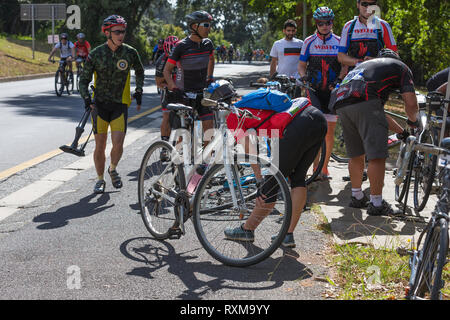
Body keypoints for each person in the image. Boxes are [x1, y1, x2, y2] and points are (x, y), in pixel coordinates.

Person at [224, 97, 327, 247]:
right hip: (317, 119)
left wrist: (260, 180)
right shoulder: (256, 100)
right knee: (298, 178)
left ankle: (246, 230)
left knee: (271, 184)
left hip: (295, 126)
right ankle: (287, 235)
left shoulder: (233, 117)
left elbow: (250, 152)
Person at [328, 48, 419, 216]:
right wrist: (413, 122)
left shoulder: (365, 67)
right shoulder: (401, 67)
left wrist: (402, 132)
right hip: (364, 101)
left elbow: (377, 113)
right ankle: (376, 203)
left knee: (356, 154)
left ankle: (357, 196)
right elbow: (411, 104)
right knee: (377, 155)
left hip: (341, 102)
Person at [79, 15, 145, 194]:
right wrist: (86, 98)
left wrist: (138, 90)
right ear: (107, 32)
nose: (121, 35)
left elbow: (140, 71)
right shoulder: (96, 54)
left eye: (123, 31)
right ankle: (100, 180)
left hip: (120, 105)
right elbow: (83, 81)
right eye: (117, 31)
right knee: (100, 145)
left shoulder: (130, 52)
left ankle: (113, 168)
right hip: (99, 106)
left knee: (118, 143)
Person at [298, 7, 348, 180]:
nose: (325, 26)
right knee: (315, 130)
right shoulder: (309, 41)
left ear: (332, 23)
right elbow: (301, 65)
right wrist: (304, 79)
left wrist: (340, 80)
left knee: (329, 131)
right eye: (321, 23)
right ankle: (313, 166)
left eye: (328, 22)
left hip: (332, 91)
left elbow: (345, 66)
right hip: (314, 91)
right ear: (316, 24)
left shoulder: (340, 41)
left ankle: (323, 169)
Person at [163, 11, 215, 142]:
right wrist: (173, 88)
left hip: (201, 93)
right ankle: (181, 159)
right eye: (205, 25)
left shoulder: (208, 44)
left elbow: (211, 59)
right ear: (194, 27)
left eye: (209, 25)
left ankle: (205, 160)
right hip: (184, 94)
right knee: (183, 136)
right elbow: (167, 70)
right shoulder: (181, 46)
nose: (209, 28)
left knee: (209, 129)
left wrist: (210, 77)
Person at [338, 0, 397, 71]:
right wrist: (359, 62)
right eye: (364, 4)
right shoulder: (348, 26)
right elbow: (341, 56)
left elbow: (395, 55)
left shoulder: (383, 25)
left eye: (372, 4)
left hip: (377, 72)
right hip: (354, 73)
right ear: (358, 4)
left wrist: (374, 61)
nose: (368, 8)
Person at [154, 35, 179, 158]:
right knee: (167, 116)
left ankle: (180, 149)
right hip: (168, 91)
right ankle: (164, 147)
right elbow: (159, 83)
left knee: (186, 119)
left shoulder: (183, 58)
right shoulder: (161, 61)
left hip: (183, 90)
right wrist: (171, 86)